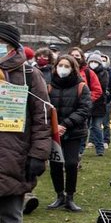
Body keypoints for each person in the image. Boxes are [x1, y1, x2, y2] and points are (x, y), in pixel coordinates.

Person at [0, 22, 52, 223]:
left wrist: (38, 155)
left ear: (11, 46)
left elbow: (42, 118)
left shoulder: (30, 75)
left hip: (15, 155)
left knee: (10, 213)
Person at [46, 54, 91, 212]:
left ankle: (70, 196)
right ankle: (59, 195)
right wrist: (54, 125)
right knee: (55, 164)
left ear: (73, 69)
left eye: (66, 66)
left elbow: (84, 109)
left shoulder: (81, 86)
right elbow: (45, 107)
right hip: (54, 132)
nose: (62, 69)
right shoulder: (49, 86)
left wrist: (65, 125)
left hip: (74, 132)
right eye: (60, 65)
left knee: (71, 163)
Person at [84, 52, 110, 156]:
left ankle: (100, 148)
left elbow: (101, 88)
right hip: (86, 104)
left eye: (95, 62)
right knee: (84, 127)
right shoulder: (85, 72)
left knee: (96, 126)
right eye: (91, 61)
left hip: (99, 105)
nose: (93, 63)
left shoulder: (104, 73)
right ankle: (81, 148)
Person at [99, 53, 111, 146]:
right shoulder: (95, 73)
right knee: (94, 124)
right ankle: (93, 140)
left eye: (104, 60)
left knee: (106, 123)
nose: (102, 62)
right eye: (101, 60)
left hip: (107, 101)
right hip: (97, 101)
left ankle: (106, 140)